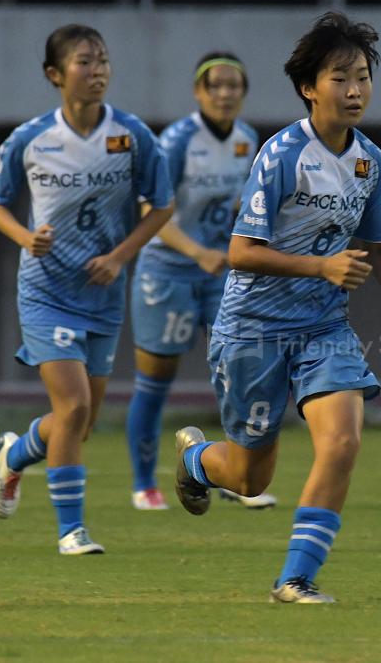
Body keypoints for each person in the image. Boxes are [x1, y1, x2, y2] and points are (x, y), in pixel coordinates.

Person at [173, 11, 381, 604]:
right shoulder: (281, 154)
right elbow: (241, 253)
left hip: (324, 326)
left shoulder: (370, 159)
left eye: (364, 77)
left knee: (343, 441)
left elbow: (374, 243)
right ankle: (195, 460)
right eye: (341, 77)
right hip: (252, 329)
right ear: (308, 87)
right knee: (249, 477)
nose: (355, 90)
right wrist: (321, 266)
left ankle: (295, 579)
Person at [0, 24, 174, 555]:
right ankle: (72, 530)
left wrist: (118, 257)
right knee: (70, 409)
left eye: (103, 62)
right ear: (55, 74)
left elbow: (162, 206)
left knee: (81, 422)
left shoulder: (131, 135)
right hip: (46, 291)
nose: (98, 72)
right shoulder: (31, 139)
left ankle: (15, 455)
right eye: (84, 63)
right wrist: (26, 237)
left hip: (104, 294)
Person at [126, 52, 276, 511]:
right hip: (168, 270)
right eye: (217, 85)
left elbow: (240, 205)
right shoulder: (177, 141)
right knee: (155, 380)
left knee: (240, 371)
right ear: (198, 92)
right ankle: (144, 484)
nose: (226, 93)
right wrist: (196, 252)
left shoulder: (248, 139)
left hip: (220, 273)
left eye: (235, 85)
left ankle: (230, 473)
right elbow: (152, 212)